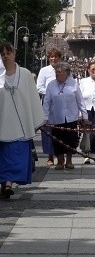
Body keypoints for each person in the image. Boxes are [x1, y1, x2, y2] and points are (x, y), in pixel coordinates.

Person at [0, 42, 44, 198]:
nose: (6, 56)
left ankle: (8, 184)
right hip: (2, 122)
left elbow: (32, 98)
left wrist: (36, 120)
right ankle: (5, 183)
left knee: (15, 156)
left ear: (14, 54)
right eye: (3, 53)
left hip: (20, 125)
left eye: (8, 53)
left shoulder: (25, 74)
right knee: (3, 157)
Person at [42, 61, 88, 170]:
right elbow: (47, 102)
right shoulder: (51, 85)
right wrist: (45, 118)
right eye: (56, 73)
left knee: (71, 140)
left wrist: (85, 117)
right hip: (56, 118)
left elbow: (80, 101)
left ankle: (69, 161)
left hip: (71, 117)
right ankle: (60, 161)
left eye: (60, 72)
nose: (57, 74)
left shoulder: (74, 84)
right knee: (58, 141)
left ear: (67, 73)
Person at [36, 47, 63, 166]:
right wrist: (49, 93)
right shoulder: (44, 70)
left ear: (59, 58)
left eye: (55, 56)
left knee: (61, 130)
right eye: (51, 56)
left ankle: (60, 155)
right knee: (48, 130)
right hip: (47, 103)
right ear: (48, 58)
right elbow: (39, 87)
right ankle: (50, 155)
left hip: (61, 104)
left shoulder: (64, 69)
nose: (53, 58)